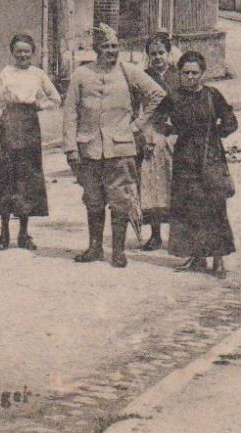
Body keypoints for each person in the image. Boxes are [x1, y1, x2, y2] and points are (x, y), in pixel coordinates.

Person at [62, 24, 168, 268]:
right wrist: (71, 148)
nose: (111, 51)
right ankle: (95, 248)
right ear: (96, 48)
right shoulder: (81, 74)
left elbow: (157, 95)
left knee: (120, 199)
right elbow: (70, 114)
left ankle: (118, 251)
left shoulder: (128, 71)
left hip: (120, 149)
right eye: (106, 46)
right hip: (88, 148)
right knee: (93, 198)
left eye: (115, 46)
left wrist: (138, 125)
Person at [150, 51, 238, 278]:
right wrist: (170, 132)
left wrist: (217, 133)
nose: (190, 77)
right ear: (179, 73)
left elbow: (231, 121)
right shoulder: (174, 96)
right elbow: (157, 119)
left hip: (210, 159)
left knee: (215, 208)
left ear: (202, 74)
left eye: (194, 73)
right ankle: (197, 257)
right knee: (188, 208)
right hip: (184, 160)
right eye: (185, 73)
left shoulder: (212, 95)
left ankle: (218, 260)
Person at [0, 33, 61, 251]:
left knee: (27, 180)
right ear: (13, 52)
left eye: (26, 51)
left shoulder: (38, 74)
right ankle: (4, 233)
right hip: (9, 125)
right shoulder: (5, 73)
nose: (22, 55)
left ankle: (23, 234)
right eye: (18, 51)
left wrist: (40, 105)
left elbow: (56, 98)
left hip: (29, 126)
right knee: (6, 178)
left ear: (32, 52)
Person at [139, 34, 180, 251]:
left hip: (176, 135)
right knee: (153, 184)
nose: (157, 58)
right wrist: (144, 137)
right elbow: (137, 109)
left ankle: (177, 235)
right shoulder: (142, 77)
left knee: (176, 184)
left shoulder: (180, 76)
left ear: (169, 53)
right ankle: (155, 234)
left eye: (161, 53)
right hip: (153, 134)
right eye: (153, 54)